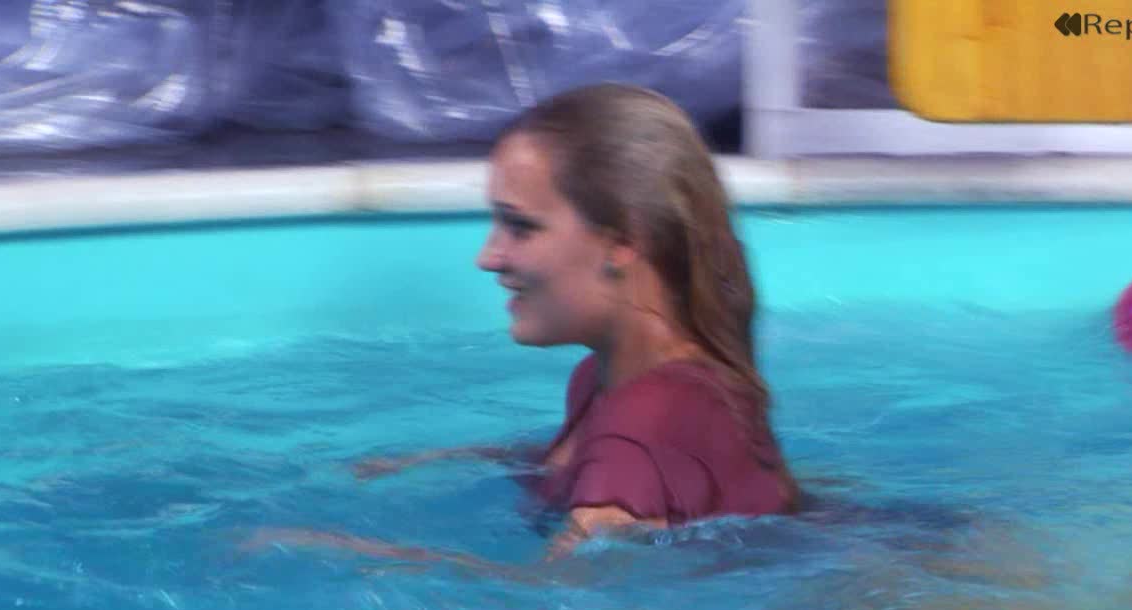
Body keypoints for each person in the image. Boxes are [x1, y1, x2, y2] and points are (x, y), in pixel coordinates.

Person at [245, 83, 800, 566]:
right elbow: (582, 466)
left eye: (520, 227)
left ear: (622, 242)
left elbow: (550, 603)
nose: (488, 257)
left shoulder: (649, 420)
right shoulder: (612, 382)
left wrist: (333, 550)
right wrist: (435, 462)